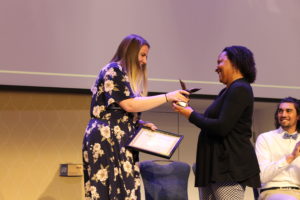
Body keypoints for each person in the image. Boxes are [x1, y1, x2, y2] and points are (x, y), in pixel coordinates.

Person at [81, 34, 189, 200]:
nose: (145, 61)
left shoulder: (123, 75)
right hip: (107, 140)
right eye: (142, 55)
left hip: (119, 138)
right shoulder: (113, 69)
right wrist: (167, 96)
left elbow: (119, 111)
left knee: (126, 190)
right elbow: (129, 105)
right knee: (112, 190)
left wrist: (138, 124)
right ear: (130, 53)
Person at [173, 45, 261, 199]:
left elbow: (221, 127)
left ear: (235, 63)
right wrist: (188, 110)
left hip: (227, 169)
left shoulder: (240, 88)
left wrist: (190, 114)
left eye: (220, 61)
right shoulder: (227, 91)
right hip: (214, 168)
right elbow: (212, 123)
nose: (216, 68)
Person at [255, 97, 300, 200]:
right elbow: (262, 176)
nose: (283, 115)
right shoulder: (265, 138)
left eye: (288, 111)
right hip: (273, 191)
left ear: (298, 116)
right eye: (280, 111)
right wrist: (291, 157)